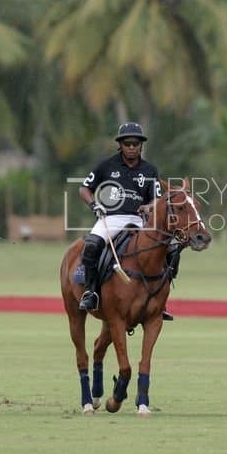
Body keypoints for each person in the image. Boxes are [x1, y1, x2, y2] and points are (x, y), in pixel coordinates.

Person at [77, 122, 178, 317]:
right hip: (111, 218)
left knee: (171, 250)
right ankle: (90, 292)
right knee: (92, 245)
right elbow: (84, 188)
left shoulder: (150, 170)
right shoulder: (106, 165)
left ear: (141, 145)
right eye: (127, 143)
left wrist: (149, 207)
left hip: (140, 221)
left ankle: (160, 299)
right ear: (120, 145)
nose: (131, 147)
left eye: (135, 143)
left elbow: (157, 198)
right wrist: (94, 205)